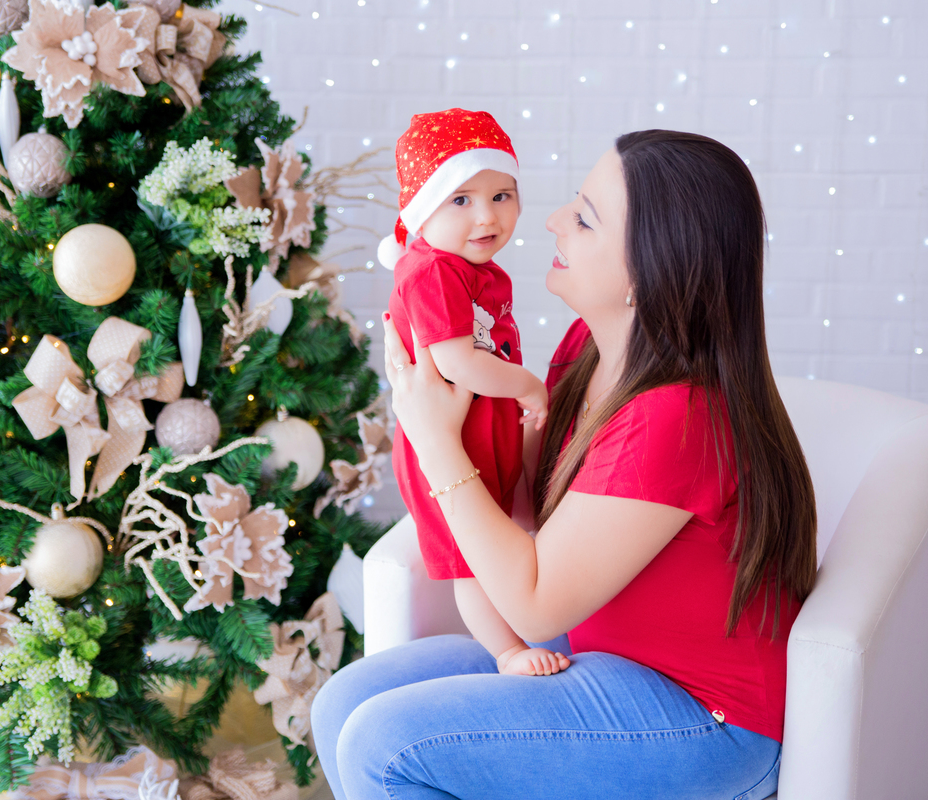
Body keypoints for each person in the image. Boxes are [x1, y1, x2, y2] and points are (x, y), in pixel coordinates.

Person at [311, 130, 818, 799]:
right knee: (344, 704)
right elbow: (533, 516)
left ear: (647, 274)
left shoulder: (677, 417)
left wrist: (434, 442)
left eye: (583, 218)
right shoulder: (586, 352)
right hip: (599, 657)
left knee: (388, 743)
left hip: (706, 718)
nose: (550, 220)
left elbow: (534, 599)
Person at [379, 108, 563, 678]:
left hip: (478, 431)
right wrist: (529, 386)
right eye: (460, 199)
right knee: (470, 561)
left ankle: (542, 615)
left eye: (502, 195)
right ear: (421, 208)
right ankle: (507, 651)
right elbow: (459, 361)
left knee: (502, 532)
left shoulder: (469, 268)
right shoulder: (431, 271)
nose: (487, 216)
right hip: (451, 440)